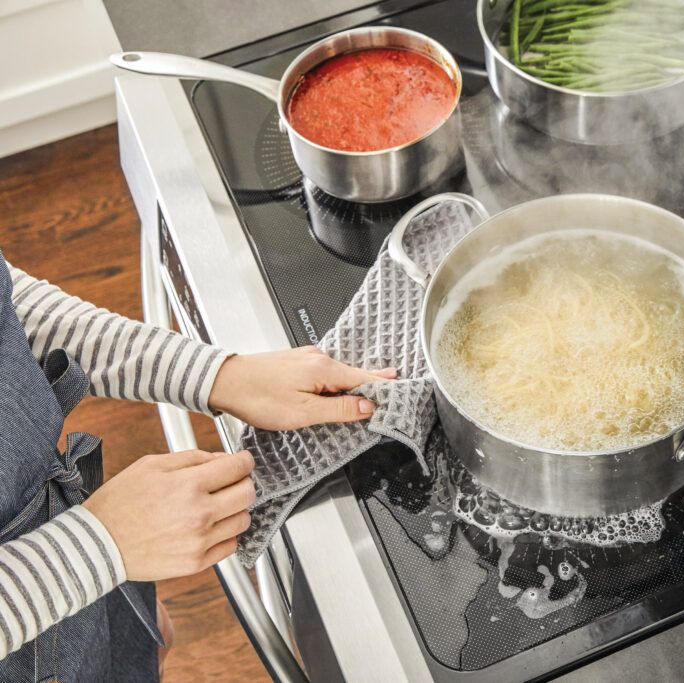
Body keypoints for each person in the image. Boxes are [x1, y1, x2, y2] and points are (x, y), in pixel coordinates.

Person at [0, 250, 396, 681]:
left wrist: (213, 374)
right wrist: (95, 547)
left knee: (153, 640)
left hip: (56, 548)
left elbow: (8, 309)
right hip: (60, 575)